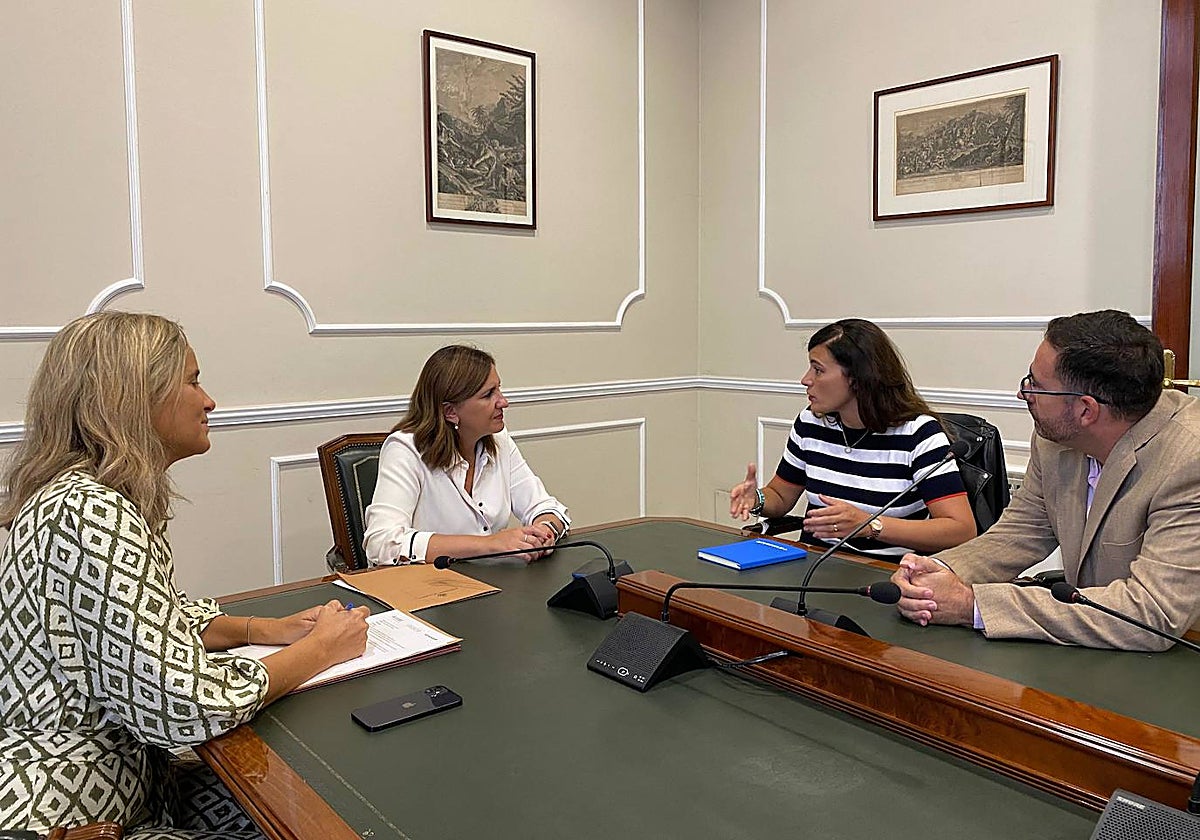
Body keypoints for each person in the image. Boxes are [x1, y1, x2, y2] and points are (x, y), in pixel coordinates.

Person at [0, 312, 369, 837]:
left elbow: (154, 622)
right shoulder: (89, 513)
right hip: (73, 814)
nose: (209, 400)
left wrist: (266, 629)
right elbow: (185, 706)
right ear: (135, 397)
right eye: (193, 382)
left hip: (127, 785)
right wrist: (321, 650)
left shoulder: (82, 497)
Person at [891, 309, 1200, 651]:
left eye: (1036, 385)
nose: (1023, 394)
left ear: (1086, 410)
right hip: (1095, 649)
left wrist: (972, 605)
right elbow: (1020, 532)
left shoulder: (1190, 460)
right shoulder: (1056, 439)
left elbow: (1151, 614)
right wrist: (933, 573)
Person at [730, 319, 976, 560]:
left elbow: (960, 530)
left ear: (857, 378)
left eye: (818, 370)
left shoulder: (918, 434)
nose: (806, 379)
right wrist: (757, 499)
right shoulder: (811, 423)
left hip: (886, 574)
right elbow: (781, 496)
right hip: (815, 563)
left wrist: (870, 526)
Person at [364, 345, 569, 566]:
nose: (503, 402)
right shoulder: (405, 449)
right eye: (488, 394)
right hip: (429, 583)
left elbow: (545, 507)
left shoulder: (498, 440)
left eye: (499, 389)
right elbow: (382, 542)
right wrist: (490, 544)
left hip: (492, 580)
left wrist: (543, 531)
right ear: (450, 412)